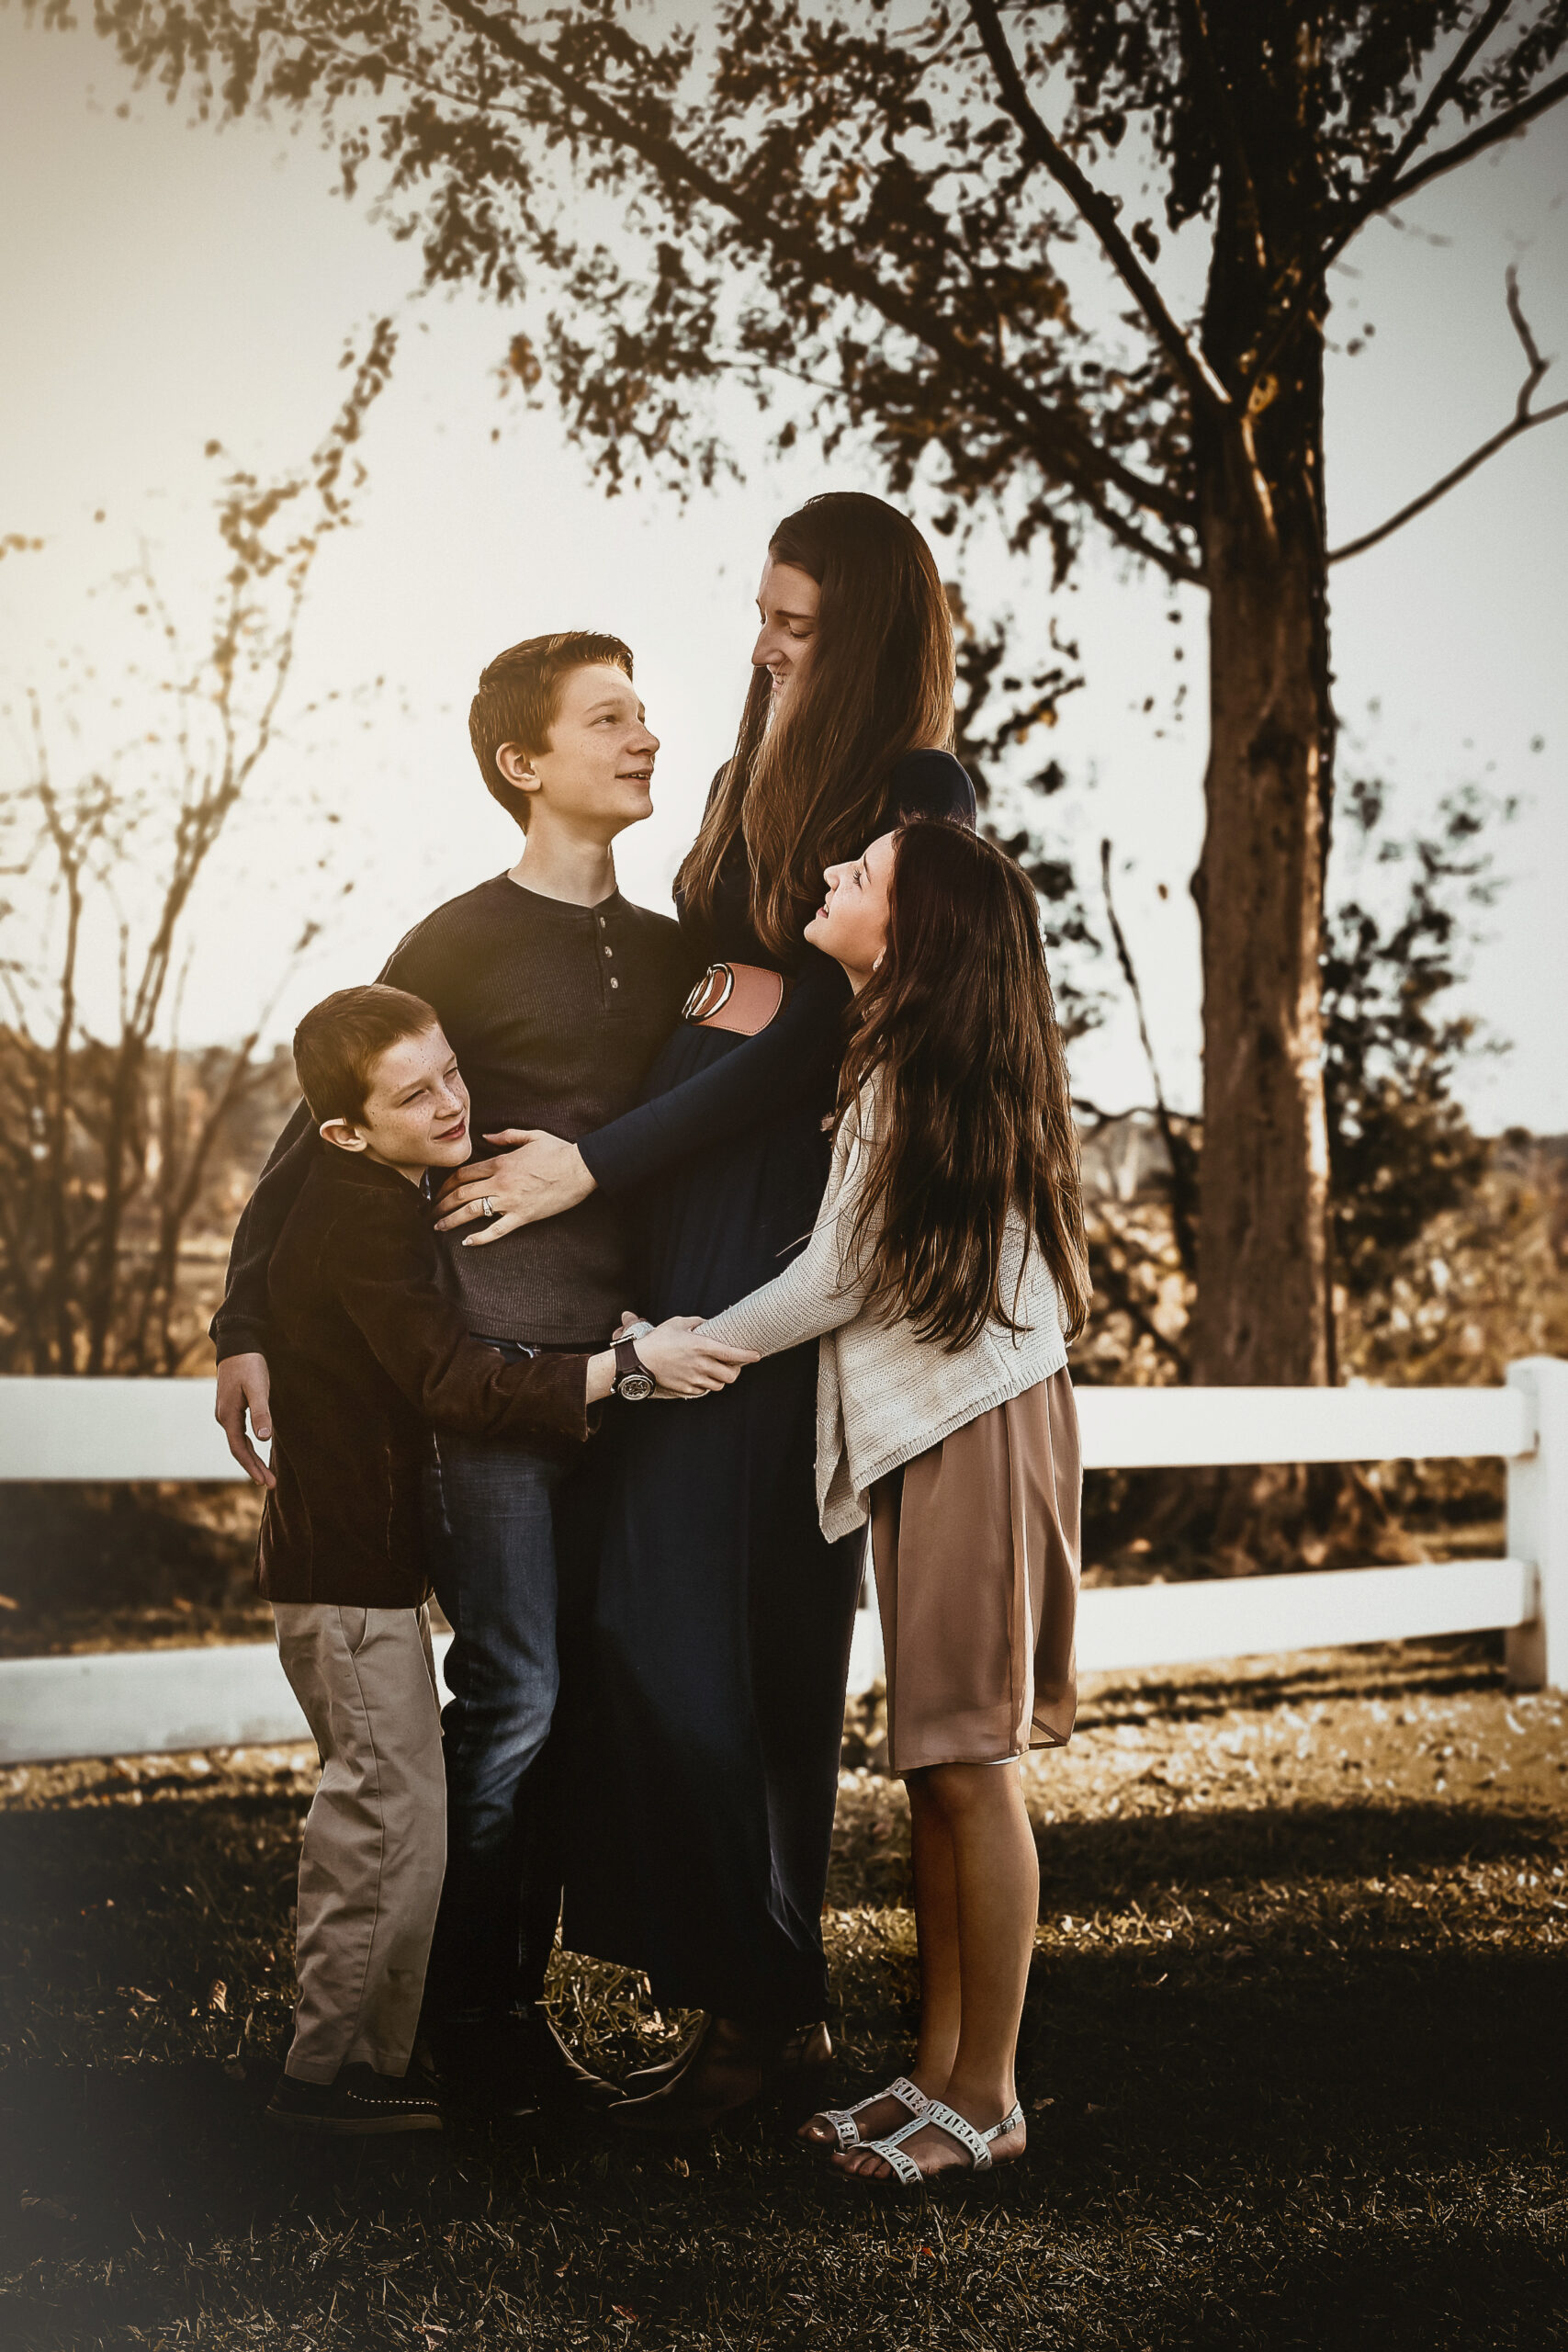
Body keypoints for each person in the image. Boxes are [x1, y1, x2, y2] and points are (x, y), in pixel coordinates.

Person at [434, 494, 978, 2127]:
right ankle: (726, 1986)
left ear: (869, 627)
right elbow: (724, 992)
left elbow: (814, 1034)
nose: (760, 645)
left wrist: (592, 1166)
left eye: (795, 624)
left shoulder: (913, 794)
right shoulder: (755, 786)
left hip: (766, 1249)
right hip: (670, 1242)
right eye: (761, 613)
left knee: (749, 1625)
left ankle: (769, 2018)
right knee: (639, 1625)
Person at [210, 633, 706, 2117]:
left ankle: (505, 2005)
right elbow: (320, 1137)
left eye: (642, 711)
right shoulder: (455, 942)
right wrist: (242, 1321)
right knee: (516, 1692)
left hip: (632, 1373)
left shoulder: (678, 953)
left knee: (585, 1703)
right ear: (522, 763)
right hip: (485, 1385)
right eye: (606, 717)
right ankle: (460, 2019)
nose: (644, 735)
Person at [259, 981, 747, 2134]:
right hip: (346, 1569)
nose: (449, 1103)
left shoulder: (366, 1187)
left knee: (397, 1814)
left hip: (359, 1564)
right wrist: (627, 1371)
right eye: (413, 1092)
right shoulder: (363, 1215)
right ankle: (327, 2082)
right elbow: (453, 1384)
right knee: (381, 1817)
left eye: (450, 1071)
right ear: (342, 1130)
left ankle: (369, 2056)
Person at [699, 820, 1091, 2183]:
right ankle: (932, 2076)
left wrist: (678, 1350)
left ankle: (984, 2100)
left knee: (969, 1764)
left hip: (975, 1429)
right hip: (936, 1436)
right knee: (935, 1765)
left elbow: (835, 1276)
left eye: (856, 879)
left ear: (913, 934)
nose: (827, 883)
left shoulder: (919, 1061)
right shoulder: (900, 1054)